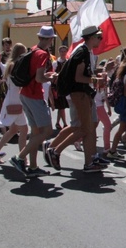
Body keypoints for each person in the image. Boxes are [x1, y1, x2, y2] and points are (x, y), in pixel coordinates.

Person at [44, 26, 107, 173]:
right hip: (79, 93)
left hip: (84, 92)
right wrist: (96, 80)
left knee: (90, 126)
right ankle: (55, 150)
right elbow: (78, 77)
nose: (100, 40)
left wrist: (95, 76)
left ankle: (91, 160)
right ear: (91, 38)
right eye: (99, 37)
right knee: (84, 128)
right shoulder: (82, 52)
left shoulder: (86, 51)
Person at [8, 27, 58, 175]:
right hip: (34, 95)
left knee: (36, 132)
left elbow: (35, 74)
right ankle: (20, 157)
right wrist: (52, 77)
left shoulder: (33, 50)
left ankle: (33, 167)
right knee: (47, 131)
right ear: (50, 39)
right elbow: (39, 78)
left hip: (25, 93)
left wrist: (46, 75)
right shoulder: (42, 54)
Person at [0, 44, 29, 164]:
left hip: (13, 96)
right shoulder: (14, 65)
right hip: (16, 98)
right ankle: (22, 157)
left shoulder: (10, 64)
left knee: (15, 129)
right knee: (22, 129)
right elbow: (20, 82)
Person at [50, 45, 69, 129]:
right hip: (57, 87)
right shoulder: (55, 63)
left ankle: (58, 123)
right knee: (61, 106)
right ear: (59, 52)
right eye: (61, 51)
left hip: (65, 86)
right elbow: (52, 74)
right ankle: (65, 123)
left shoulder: (68, 62)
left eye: (64, 51)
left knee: (61, 106)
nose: (63, 53)